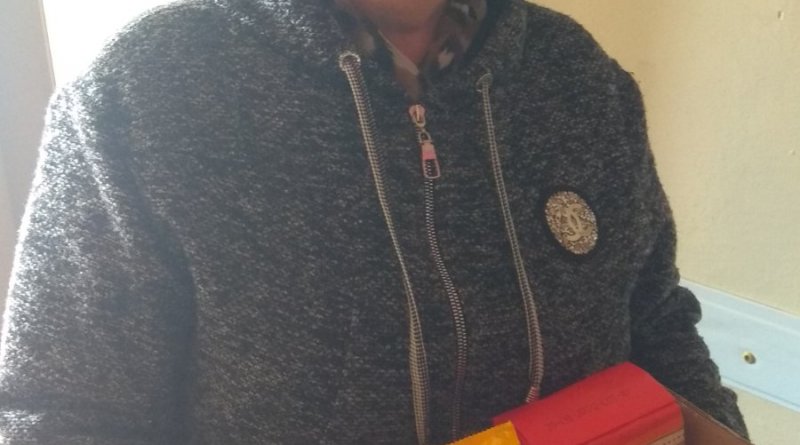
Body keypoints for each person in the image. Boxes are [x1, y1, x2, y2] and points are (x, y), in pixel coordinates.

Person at [0, 0, 748, 443]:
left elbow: (657, 320)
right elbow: (60, 416)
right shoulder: (140, 98)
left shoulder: (577, 74)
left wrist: (719, 426)